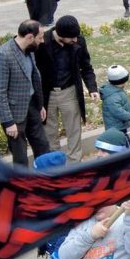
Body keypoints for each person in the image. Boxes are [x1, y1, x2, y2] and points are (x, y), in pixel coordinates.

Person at [35, 16, 99, 162]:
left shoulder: (79, 41)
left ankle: (75, 164)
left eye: (76, 36)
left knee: (74, 130)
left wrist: (92, 88)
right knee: (49, 132)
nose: (75, 40)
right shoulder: (42, 42)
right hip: (47, 94)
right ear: (60, 35)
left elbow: (86, 67)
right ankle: (55, 164)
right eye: (71, 38)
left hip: (69, 91)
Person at [0, 20, 50, 166]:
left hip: (31, 105)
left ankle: (45, 176)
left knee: (43, 146)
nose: (42, 41)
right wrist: (8, 122)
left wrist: (40, 105)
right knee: (20, 156)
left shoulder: (29, 50)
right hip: (13, 112)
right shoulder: (3, 55)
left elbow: (32, 79)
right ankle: (23, 180)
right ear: (29, 37)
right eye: (40, 37)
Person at [101, 64, 130, 135]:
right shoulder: (112, 96)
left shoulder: (117, 90)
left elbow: (123, 103)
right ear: (120, 82)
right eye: (124, 82)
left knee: (124, 137)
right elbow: (118, 111)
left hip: (120, 124)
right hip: (116, 126)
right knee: (122, 140)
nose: (125, 84)